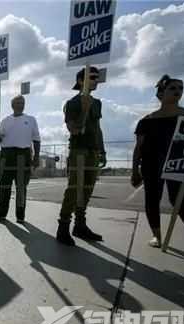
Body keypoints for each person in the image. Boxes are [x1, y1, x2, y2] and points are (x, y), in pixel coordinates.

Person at [131, 75, 184, 254]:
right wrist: (134, 171)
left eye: (181, 88)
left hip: (180, 164)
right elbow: (139, 148)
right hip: (151, 164)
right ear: (160, 94)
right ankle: (157, 236)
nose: (178, 92)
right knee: (152, 200)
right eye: (173, 88)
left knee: (180, 201)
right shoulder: (147, 120)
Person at [56, 66, 106, 246]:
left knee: (87, 189)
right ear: (80, 81)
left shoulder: (97, 103)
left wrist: (102, 150)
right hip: (78, 150)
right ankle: (63, 227)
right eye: (92, 77)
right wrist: (84, 110)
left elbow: (98, 129)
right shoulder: (72, 103)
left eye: (97, 77)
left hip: (93, 150)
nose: (95, 80)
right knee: (74, 189)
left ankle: (80, 225)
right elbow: (74, 130)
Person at [0, 95, 41, 224]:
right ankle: (1, 214)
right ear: (12, 105)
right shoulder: (5, 120)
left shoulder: (31, 120)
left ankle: (20, 216)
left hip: (23, 156)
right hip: (6, 156)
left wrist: (36, 157)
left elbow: (36, 139)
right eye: (18, 102)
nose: (21, 104)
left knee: (21, 188)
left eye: (22, 102)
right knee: (4, 186)